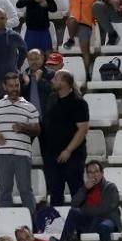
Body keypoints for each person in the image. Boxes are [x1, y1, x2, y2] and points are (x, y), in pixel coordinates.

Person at [0, 72, 40, 215]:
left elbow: (37, 130)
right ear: (4, 87)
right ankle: (6, 225)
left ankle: (31, 224)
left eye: (16, 85)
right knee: (4, 191)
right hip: (1, 153)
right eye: (11, 86)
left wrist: (24, 127)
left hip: (22, 153)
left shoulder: (30, 107)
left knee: (25, 190)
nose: (14, 88)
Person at [41, 70, 89, 207]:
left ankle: (81, 227)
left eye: (56, 79)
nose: (52, 81)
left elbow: (83, 129)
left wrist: (68, 150)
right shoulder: (52, 99)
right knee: (55, 192)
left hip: (73, 155)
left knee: (76, 190)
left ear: (65, 82)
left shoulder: (78, 102)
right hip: (52, 154)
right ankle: (57, 227)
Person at [58, 160, 121, 241]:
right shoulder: (86, 187)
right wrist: (84, 189)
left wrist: (86, 210)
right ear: (87, 175)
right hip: (90, 221)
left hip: (107, 219)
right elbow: (74, 204)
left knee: (104, 226)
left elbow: (108, 208)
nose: (94, 175)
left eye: (96, 171)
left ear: (102, 173)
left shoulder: (110, 187)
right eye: (90, 172)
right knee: (74, 212)